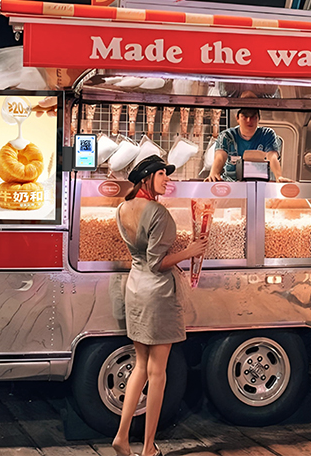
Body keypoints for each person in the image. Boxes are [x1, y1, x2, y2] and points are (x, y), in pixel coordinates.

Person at [112, 155, 207, 456]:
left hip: (135, 288)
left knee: (140, 366)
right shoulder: (159, 213)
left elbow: (142, 258)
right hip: (157, 294)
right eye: (162, 175)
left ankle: (122, 435)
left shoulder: (122, 208)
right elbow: (158, 263)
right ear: (146, 178)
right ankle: (149, 446)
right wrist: (190, 251)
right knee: (158, 373)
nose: (167, 180)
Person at [205, 107, 290, 182]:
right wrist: (214, 173)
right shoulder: (227, 136)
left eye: (253, 117)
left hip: (259, 184)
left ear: (258, 119)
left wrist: (279, 176)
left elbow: (272, 156)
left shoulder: (267, 134)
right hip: (231, 184)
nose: (249, 120)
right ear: (237, 118)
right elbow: (220, 156)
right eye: (245, 117)